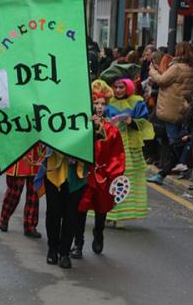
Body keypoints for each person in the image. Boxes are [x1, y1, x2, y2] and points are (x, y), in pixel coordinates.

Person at [72, 82, 125, 257]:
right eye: (96, 103)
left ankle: (98, 232)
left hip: (103, 176)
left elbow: (117, 156)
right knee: (80, 210)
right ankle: (77, 243)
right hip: (85, 175)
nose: (99, 107)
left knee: (101, 211)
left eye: (103, 104)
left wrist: (112, 175)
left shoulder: (112, 131)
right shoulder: (82, 127)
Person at [147, 42, 193, 184]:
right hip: (181, 107)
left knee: (174, 139)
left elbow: (162, 80)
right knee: (172, 140)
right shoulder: (190, 68)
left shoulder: (176, 68)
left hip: (171, 108)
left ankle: (182, 162)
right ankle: (164, 172)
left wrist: (152, 71)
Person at [105, 78, 154, 222]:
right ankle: (109, 212)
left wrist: (131, 122)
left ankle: (122, 214)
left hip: (130, 147)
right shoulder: (108, 103)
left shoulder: (137, 102)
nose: (118, 90)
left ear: (128, 88)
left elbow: (145, 123)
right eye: (116, 87)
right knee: (109, 177)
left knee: (127, 178)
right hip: (111, 145)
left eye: (122, 87)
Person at [37, 149, 88, 269]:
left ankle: (64, 253)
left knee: (71, 214)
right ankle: (52, 248)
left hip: (76, 173)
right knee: (53, 211)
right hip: (54, 168)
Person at [0, 145, 45, 239]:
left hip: (36, 154)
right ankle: (4, 218)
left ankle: (30, 226)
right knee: (14, 192)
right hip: (18, 154)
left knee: (34, 193)